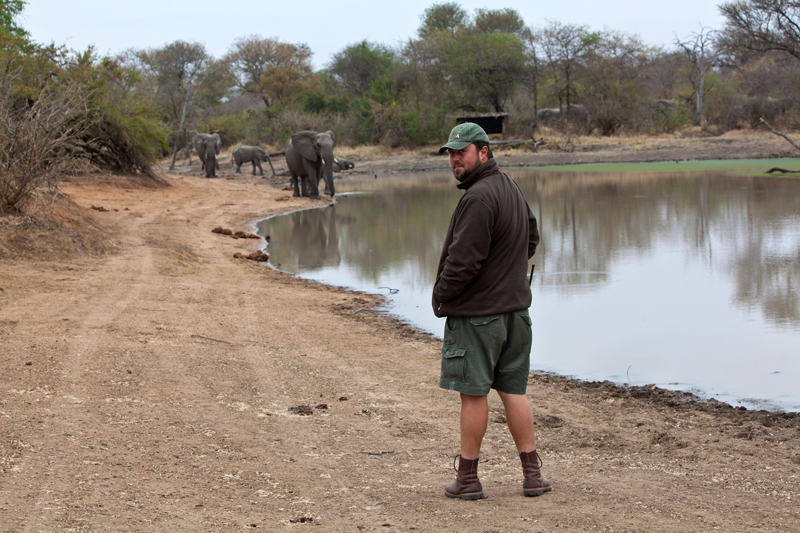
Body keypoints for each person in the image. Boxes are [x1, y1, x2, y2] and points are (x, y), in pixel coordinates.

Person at [432, 122, 550, 500]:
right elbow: (531, 238)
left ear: (483, 152)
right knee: (513, 390)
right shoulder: (510, 186)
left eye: (461, 152)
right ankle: (533, 476)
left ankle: (467, 479)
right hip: (516, 312)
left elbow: (462, 262)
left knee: (473, 393)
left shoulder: (479, 197)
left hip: (479, 316)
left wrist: (441, 297)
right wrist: (506, 271)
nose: (454, 160)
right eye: (450, 154)